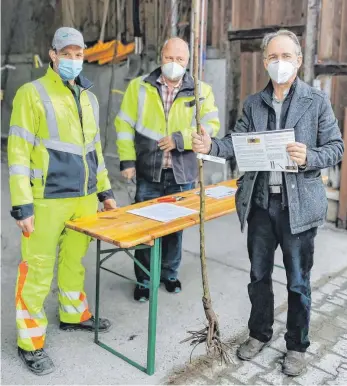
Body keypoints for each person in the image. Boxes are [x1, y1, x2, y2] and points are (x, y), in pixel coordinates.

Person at [192, 29, 344, 376]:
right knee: (258, 275)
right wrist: (210, 147)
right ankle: (259, 332)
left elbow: (336, 147)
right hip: (261, 204)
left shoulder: (315, 102)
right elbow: (235, 142)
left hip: (298, 207)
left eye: (286, 57)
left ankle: (296, 346)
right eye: (273, 57)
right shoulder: (253, 103)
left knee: (297, 281)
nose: (280, 63)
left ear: (299, 61)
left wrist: (310, 156)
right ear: (264, 62)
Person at [8, 27, 117, 376]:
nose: (73, 59)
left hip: (84, 197)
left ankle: (73, 314)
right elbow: (19, 151)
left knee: (74, 260)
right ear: (52, 55)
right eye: (66, 53)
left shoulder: (89, 96)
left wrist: (105, 191)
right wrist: (21, 205)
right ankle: (30, 342)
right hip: (47, 199)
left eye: (78, 53)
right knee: (37, 270)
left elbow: (95, 149)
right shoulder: (31, 93)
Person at [115, 37, 220, 302]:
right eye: (169, 58)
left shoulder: (201, 91)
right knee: (144, 229)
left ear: (188, 62)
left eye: (180, 60)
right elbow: (124, 124)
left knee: (175, 228)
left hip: (181, 172)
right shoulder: (139, 87)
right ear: (161, 56)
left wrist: (180, 139)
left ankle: (169, 274)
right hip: (148, 171)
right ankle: (143, 279)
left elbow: (211, 127)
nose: (174, 64)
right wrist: (127, 161)